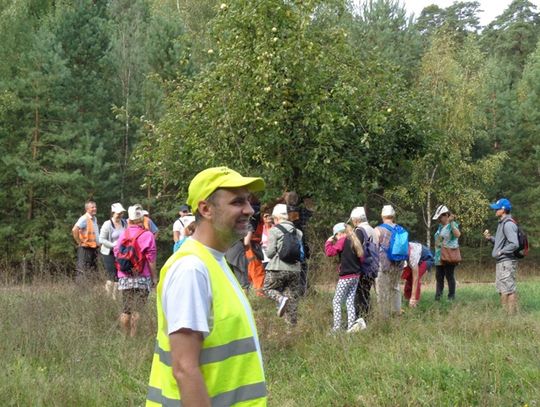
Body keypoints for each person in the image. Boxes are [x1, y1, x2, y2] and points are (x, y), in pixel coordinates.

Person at [146, 166, 267, 406]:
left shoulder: (215, 261)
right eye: (237, 202)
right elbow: (184, 368)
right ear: (206, 209)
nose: (249, 210)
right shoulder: (191, 269)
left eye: (249, 201)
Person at [114, 204, 157, 337]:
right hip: (142, 276)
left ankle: (124, 337)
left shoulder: (123, 234)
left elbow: (116, 253)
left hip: (125, 277)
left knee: (126, 309)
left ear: (129, 220)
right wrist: (154, 277)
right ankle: (133, 337)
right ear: (142, 219)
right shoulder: (148, 235)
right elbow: (151, 259)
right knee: (138, 309)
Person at [264, 203, 303, 326]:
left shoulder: (274, 230)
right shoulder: (298, 232)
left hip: (277, 268)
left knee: (268, 288)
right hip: (295, 269)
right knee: (292, 299)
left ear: (276, 218)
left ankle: (280, 299)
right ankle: (291, 329)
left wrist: (265, 249)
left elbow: (270, 253)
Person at [324, 222, 366, 333]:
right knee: (349, 301)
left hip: (345, 277)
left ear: (339, 233)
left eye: (335, 236)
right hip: (356, 276)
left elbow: (330, 252)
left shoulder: (342, 240)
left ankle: (336, 328)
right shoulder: (354, 240)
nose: (335, 239)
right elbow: (361, 258)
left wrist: (328, 242)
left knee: (336, 301)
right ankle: (351, 325)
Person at [483, 198, 520, 314]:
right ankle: (505, 314)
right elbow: (502, 242)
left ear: (503, 210)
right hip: (502, 262)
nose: (495, 210)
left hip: (506, 262)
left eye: (497, 208)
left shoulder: (508, 224)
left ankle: (509, 316)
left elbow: (514, 243)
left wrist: (501, 252)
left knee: (508, 290)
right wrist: (491, 239)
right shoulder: (502, 223)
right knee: (503, 289)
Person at [374, 205, 404, 318]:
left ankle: (384, 316)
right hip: (398, 264)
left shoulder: (378, 229)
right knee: (395, 288)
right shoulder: (400, 229)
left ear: (382, 216)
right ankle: (397, 312)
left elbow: (374, 247)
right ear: (393, 216)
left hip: (384, 265)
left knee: (382, 291)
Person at [349, 206, 377, 320]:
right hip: (373, 267)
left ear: (356, 219)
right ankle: (366, 318)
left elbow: (356, 248)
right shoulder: (371, 229)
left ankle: (359, 320)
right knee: (366, 294)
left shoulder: (359, 230)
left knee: (359, 295)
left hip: (363, 268)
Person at [283, 191, 313, 296]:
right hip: (300, 240)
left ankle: (289, 291)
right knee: (302, 267)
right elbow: (310, 213)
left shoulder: (282, 210)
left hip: (286, 241)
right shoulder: (302, 210)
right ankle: (301, 292)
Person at [433, 205, 461, 301]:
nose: (439, 219)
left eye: (440, 217)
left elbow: (457, 235)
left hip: (449, 255)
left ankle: (451, 297)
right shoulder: (440, 227)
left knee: (449, 276)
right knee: (439, 278)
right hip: (438, 256)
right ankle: (438, 298)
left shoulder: (452, 225)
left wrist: (452, 223)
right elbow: (438, 241)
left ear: (446, 215)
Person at [99, 203, 127, 298]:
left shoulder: (124, 223)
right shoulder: (107, 224)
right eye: (118, 213)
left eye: (122, 213)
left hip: (121, 253)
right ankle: (108, 296)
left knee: (118, 275)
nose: (120, 215)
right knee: (111, 275)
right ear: (113, 212)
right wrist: (113, 245)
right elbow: (101, 239)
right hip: (109, 252)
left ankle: (115, 297)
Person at [71, 200, 100, 283]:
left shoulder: (94, 219)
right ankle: (81, 291)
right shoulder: (84, 218)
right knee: (83, 271)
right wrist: (79, 242)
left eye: (95, 207)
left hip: (93, 248)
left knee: (92, 270)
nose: (95, 208)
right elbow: (74, 230)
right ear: (87, 209)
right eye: (92, 207)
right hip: (85, 248)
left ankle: (90, 290)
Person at [401, 242, 432, 307]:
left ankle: (414, 302)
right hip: (416, 257)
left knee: (414, 278)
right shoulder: (398, 252)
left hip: (426, 258)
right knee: (408, 277)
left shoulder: (412, 256)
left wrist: (413, 297)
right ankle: (407, 298)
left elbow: (415, 278)